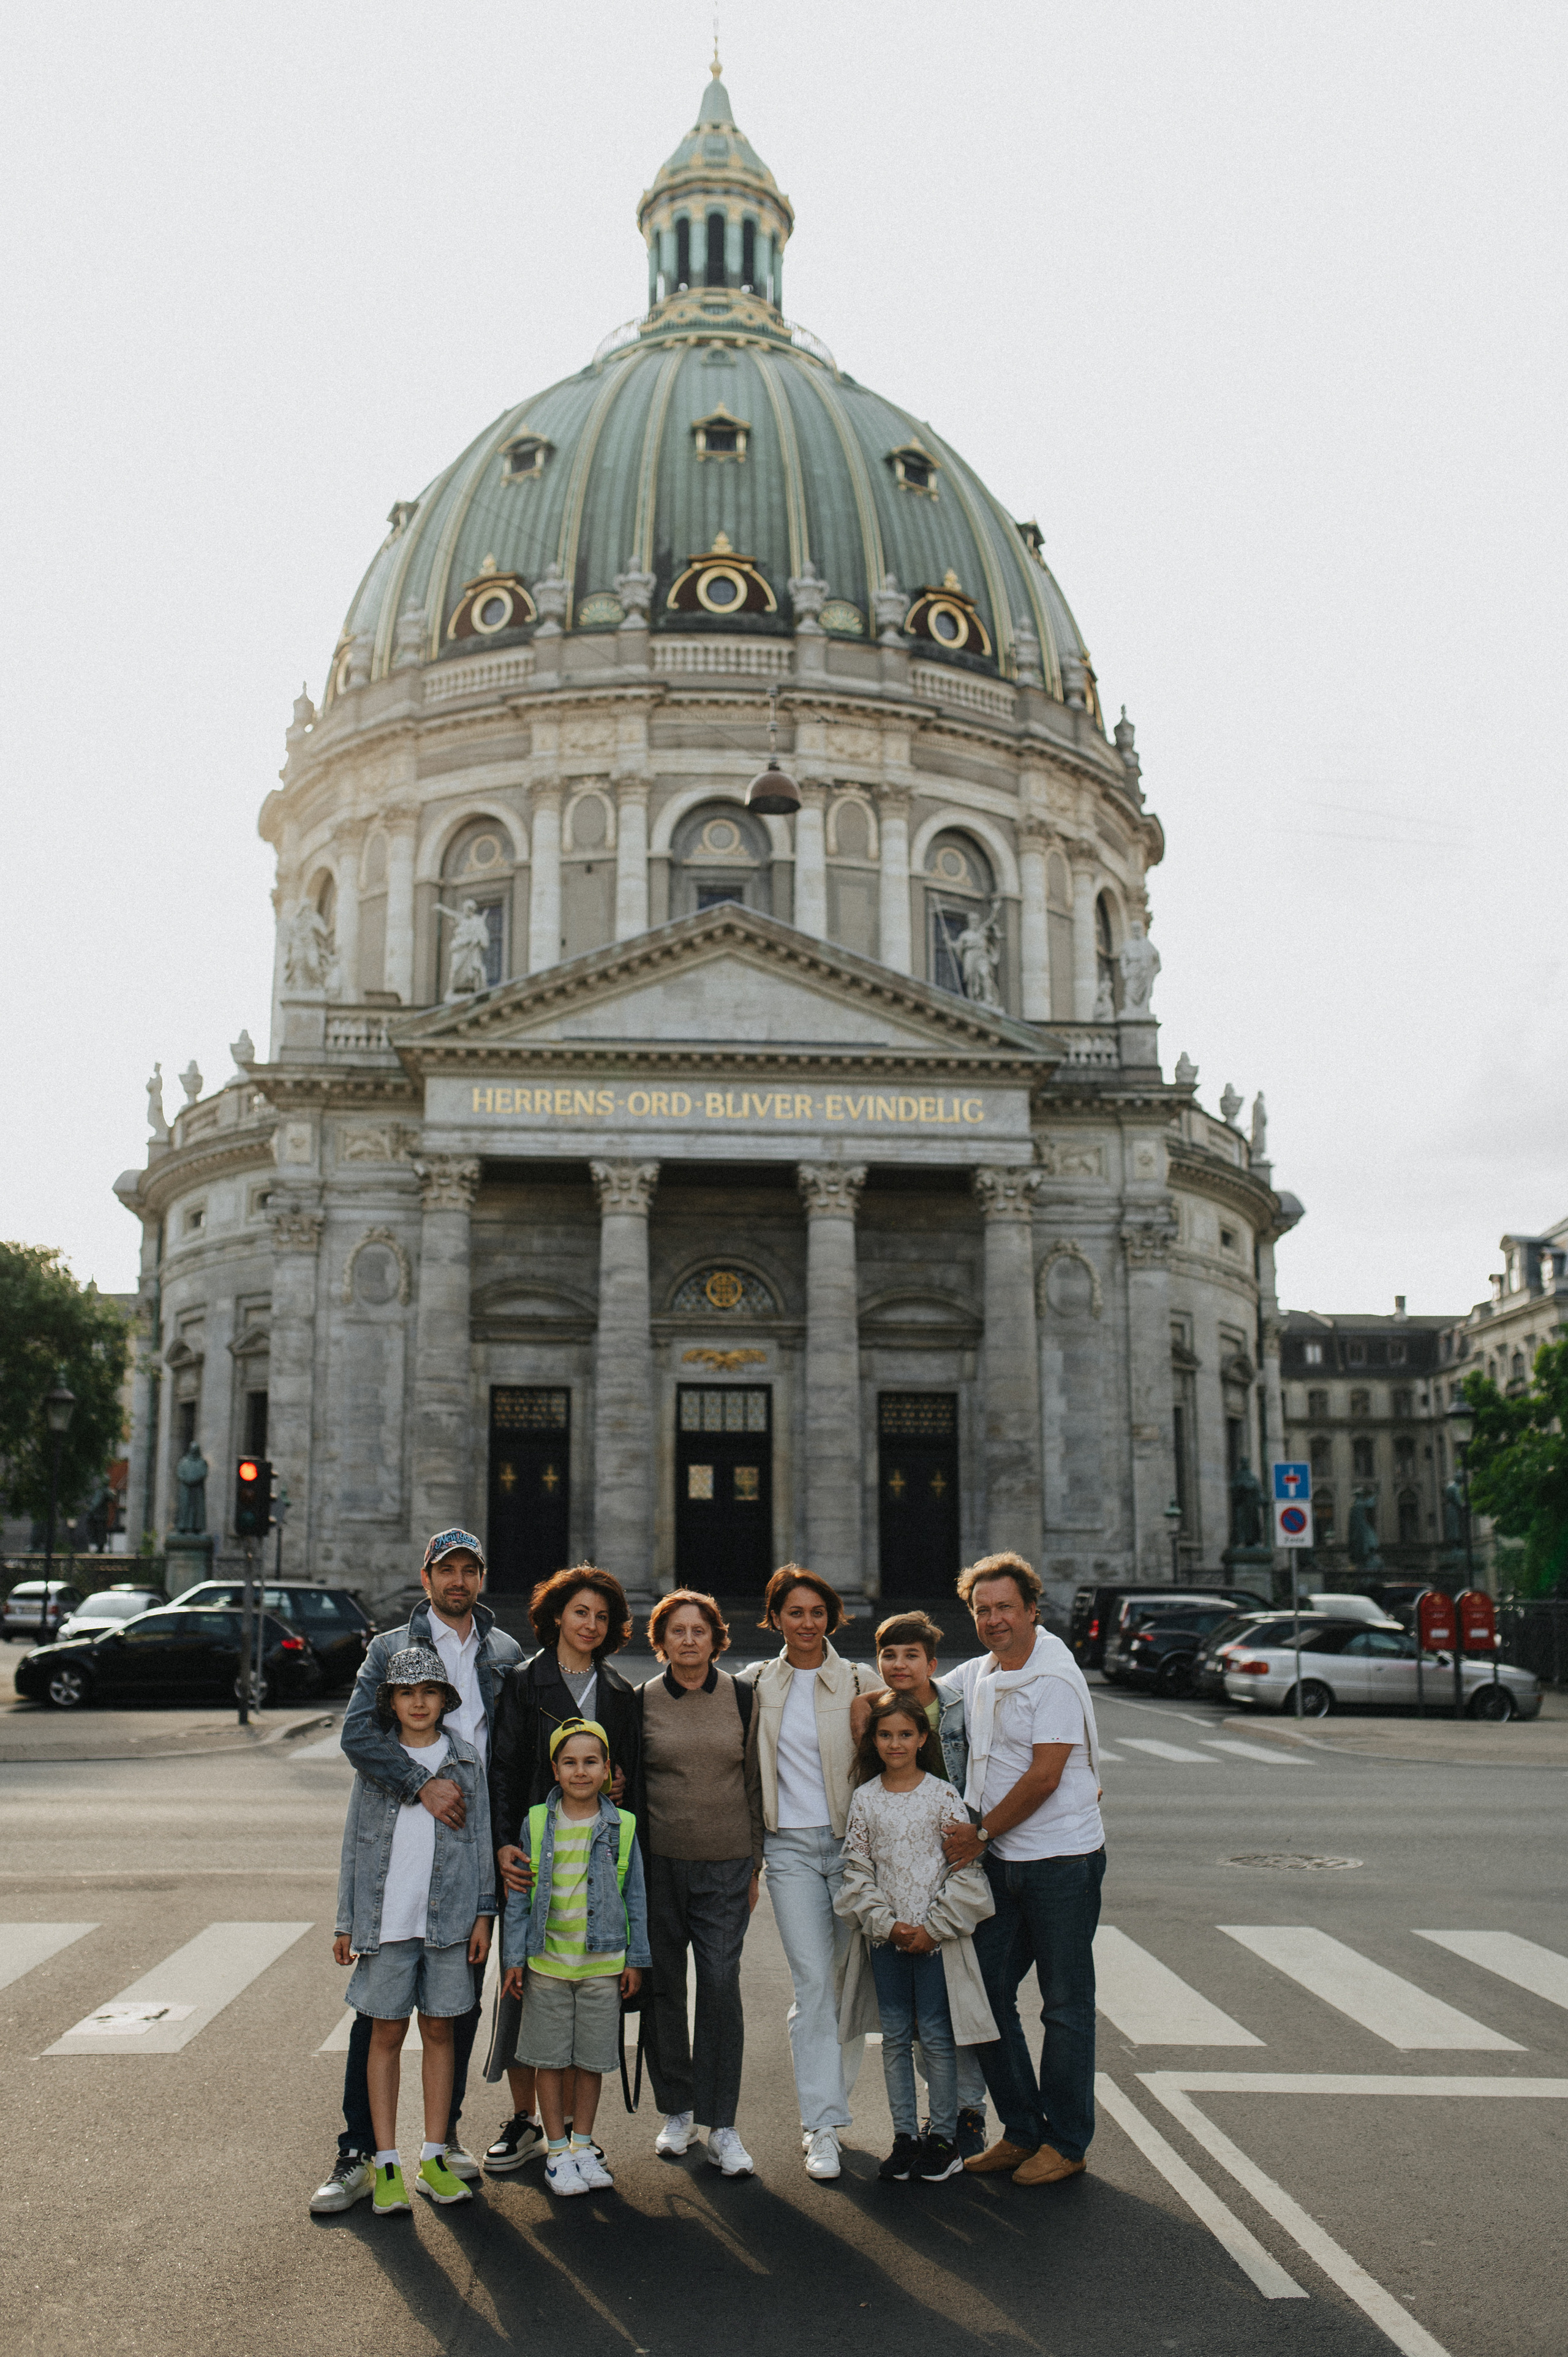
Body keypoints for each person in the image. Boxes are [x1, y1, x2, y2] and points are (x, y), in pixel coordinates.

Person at [314, 1529, 522, 2215]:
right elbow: (356, 1734)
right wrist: (418, 1783)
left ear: (482, 1578)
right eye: (446, 1570)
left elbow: (513, 1747)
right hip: (411, 1826)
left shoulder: (501, 1651)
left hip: (473, 1842)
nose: (457, 1581)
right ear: (426, 1576)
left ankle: (442, 2140)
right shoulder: (388, 1650)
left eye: (469, 1570)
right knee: (379, 2016)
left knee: (451, 2005)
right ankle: (360, 2150)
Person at [941, 1553, 1104, 2187]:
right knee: (980, 1992)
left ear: (1032, 1609)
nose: (992, 1619)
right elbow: (920, 1689)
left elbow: (1044, 1775)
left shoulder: (1053, 1678)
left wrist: (979, 1833)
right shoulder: (985, 1672)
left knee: (1065, 2005)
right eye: (982, 1609)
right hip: (1007, 1862)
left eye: (1004, 1606)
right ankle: (1021, 2128)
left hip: (1061, 1861)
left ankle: (1066, 2141)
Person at [483, 1564, 642, 2164]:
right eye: (580, 1612)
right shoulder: (524, 1682)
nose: (591, 1624)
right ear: (555, 1617)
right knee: (526, 1993)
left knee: (584, 1994)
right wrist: (503, 1842)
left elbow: (625, 1779)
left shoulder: (620, 1693)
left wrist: (619, 1785)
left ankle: (575, 2129)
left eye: (602, 1616)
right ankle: (526, 2120)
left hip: (596, 1866)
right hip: (533, 1861)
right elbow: (503, 1770)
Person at [331, 1645, 494, 2217]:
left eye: (429, 1692)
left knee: (443, 2033)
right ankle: (385, 2161)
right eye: (406, 1693)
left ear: (444, 1700)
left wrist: (483, 1913)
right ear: (391, 1702)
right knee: (384, 2036)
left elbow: (479, 1843)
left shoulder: (466, 1761)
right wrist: (346, 1921)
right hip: (387, 1921)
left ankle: (432, 2155)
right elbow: (354, 1845)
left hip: (448, 1924)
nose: (418, 1702)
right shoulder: (378, 1764)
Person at [741, 1564, 880, 2181]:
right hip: (790, 1851)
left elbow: (900, 1756)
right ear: (774, 1618)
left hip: (850, 1851)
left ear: (831, 1618)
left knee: (847, 1987)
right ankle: (820, 2123)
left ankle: (833, 2102)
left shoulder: (859, 1679)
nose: (806, 1624)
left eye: (816, 1613)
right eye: (793, 1613)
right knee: (814, 1986)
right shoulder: (752, 1685)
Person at [835, 1690, 997, 2184]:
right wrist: (888, 1924)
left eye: (906, 1733)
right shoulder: (866, 1798)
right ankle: (904, 2137)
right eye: (885, 1734)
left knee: (937, 2037)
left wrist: (932, 1928)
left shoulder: (943, 1795)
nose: (895, 1742)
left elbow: (965, 1870)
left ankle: (943, 2139)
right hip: (888, 1939)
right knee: (895, 2037)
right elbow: (857, 1870)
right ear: (874, 1740)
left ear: (923, 1737)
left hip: (935, 1942)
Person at [638, 1589, 763, 2177]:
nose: (689, 1640)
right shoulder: (642, 1701)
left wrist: (756, 1862)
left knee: (718, 1983)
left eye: (700, 1630)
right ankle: (678, 2110)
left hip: (727, 1864)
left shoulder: (742, 1695)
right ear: (660, 1640)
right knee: (665, 1987)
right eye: (677, 1631)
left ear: (717, 1638)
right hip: (660, 1864)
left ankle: (724, 2123)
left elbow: (758, 1781)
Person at [500, 1719, 650, 2198]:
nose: (580, 1771)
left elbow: (636, 1897)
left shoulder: (622, 1826)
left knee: (590, 2062)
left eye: (591, 1762)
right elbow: (520, 1898)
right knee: (549, 2059)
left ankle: (584, 2145)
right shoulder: (537, 1821)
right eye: (570, 1762)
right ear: (555, 1769)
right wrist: (515, 1957)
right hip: (547, 1963)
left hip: (602, 1966)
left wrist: (636, 1959)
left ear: (608, 1769)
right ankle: (558, 2150)